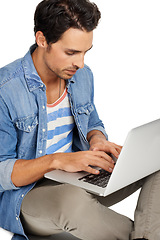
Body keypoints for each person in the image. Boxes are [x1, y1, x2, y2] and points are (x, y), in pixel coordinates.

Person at [0, 0, 160, 239]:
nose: (80, 63)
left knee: (153, 160)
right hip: (26, 196)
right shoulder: (6, 89)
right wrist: (57, 161)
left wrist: (97, 140)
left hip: (78, 177)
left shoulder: (82, 76)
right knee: (72, 201)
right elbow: (3, 172)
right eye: (71, 52)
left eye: (86, 52)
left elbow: (93, 122)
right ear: (42, 40)